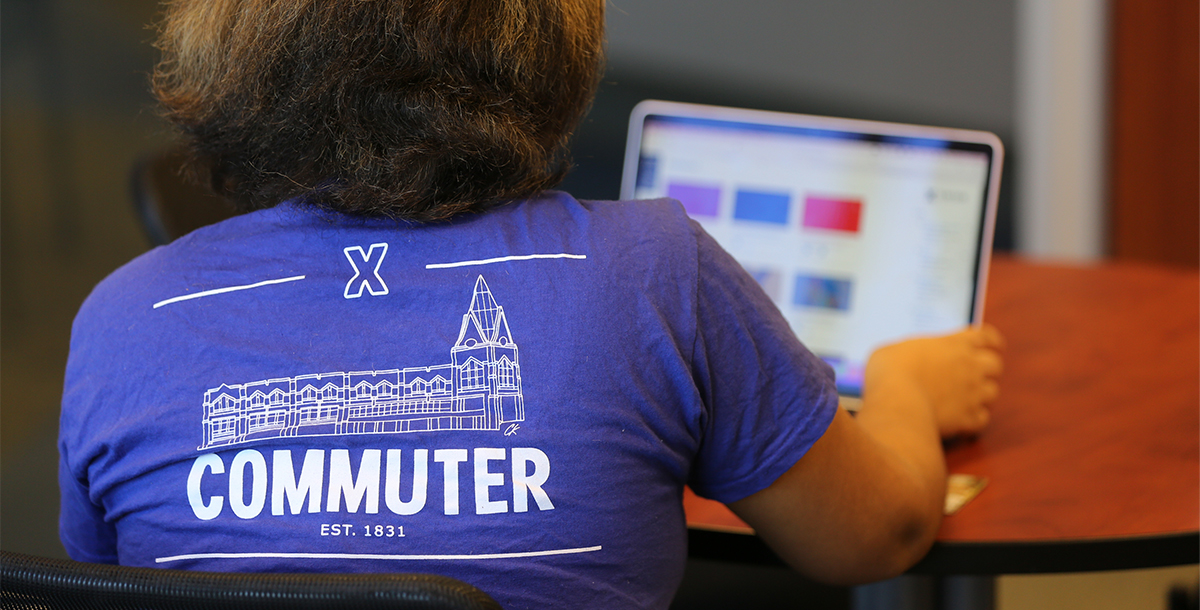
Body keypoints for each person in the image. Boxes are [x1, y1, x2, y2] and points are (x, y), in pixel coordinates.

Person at [57, 1, 1004, 608]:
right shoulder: (656, 271)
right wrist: (903, 381)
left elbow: (103, 585)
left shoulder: (119, 319)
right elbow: (875, 535)